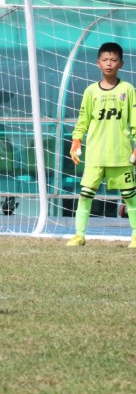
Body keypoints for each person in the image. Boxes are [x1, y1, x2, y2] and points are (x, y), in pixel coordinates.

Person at [67, 42, 136, 247]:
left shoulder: (128, 90)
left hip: (121, 155)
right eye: (105, 60)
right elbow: (83, 121)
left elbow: (135, 121)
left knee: (130, 197)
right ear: (97, 63)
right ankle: (79, 235)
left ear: (121, 63)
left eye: (113, 60)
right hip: (96, 155)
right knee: (85, 195)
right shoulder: (90, 92)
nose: (109, 64)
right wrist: (76, 140)